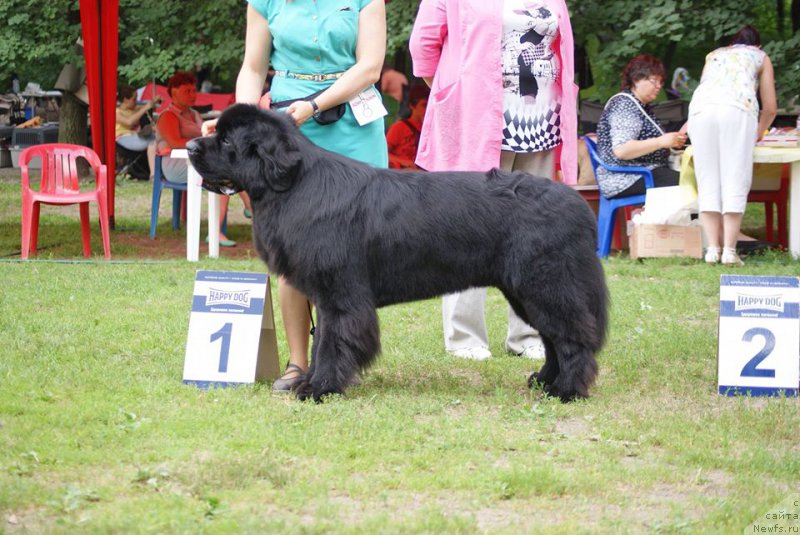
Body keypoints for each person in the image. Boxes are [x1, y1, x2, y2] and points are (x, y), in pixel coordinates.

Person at [205, 0, 388, 390]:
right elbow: (253, 68)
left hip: (352, 120)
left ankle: (339, 359)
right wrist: (239, 121)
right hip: (287, 124)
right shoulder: (265, 2)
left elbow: (370, 66)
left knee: (352, 254)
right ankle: (297, 363)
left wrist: (316, 104)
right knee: (293, 245)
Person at [410, 0, 578, 361]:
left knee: (535, 234)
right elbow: (422, 46)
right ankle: (464, 337)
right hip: (477, 121)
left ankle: (529, 334)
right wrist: (454, 87)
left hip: (541, 124)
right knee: (467, 230)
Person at [687, 25, 777, 266]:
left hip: (700, 111)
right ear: (757, 45)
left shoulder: (714, 55)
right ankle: (729, 250)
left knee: (708, 179)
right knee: (734, 178)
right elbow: (770, 107)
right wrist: (757, 133)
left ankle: (712, 250)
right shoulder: (760, 56)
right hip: (738, 110)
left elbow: (705, 87)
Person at [156, 71, 250, 246]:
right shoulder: (167, 116)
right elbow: (175, 143)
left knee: (225, 171)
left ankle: (222, 227)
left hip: (196, 162)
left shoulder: (195, 114)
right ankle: (238, 214)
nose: (193, 95)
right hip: (175, 165)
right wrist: (205, 145)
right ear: (174, 92)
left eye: (194, 90)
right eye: (187, 91)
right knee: (222, 173)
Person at [594, 54, 687, 200]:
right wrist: (660, 142)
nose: (658, 86)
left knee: (691, 181)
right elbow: (622, 150)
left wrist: (672, 142)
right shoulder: (625, 105)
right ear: (636, 79)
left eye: (661, 82)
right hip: (625, 177)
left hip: (639, 172)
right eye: (653, 81)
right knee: (691, 185)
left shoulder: (639, 106)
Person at [115, 84, 158, 180]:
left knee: (158, 138)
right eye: (134, 99)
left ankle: (157, 172)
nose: (136, 101)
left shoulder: (134, 109)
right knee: (152, 142)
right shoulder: (116, 112)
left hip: (136, 136)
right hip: (123, 138)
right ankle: (153, 175)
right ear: (126, 100)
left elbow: (148, 105)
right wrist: (145, 108)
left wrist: (154, 102)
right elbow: (129, 122)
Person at [386, 84, 428, 170]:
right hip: (403, 176)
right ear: (412, 106)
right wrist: (403, 161)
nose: (427, 110)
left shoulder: (431, 130)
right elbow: (382, 153)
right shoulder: (399, 127)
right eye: (424, 105)